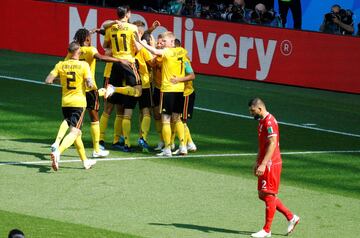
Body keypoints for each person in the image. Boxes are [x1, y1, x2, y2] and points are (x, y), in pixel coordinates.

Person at [51, 28, 128, 158]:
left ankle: (57, 142)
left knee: (69, 120)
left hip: (75, 91)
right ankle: (96, 149)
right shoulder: (91, 50)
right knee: (94, 118)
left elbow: (64, 68)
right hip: (90, 89)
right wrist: (119, 60)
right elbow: (102, 58)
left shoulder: (72, 52)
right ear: (87, 39)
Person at [248, 98, 299, 237]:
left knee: (269, 194)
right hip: (265, 162)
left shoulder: (269, 121)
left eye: (252, 111)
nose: (251, 114)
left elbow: (272, 143)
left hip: (271, 164)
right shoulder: (262, 122)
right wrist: (257, 161)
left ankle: (266, 230)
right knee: (262, 194)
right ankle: (291, 217)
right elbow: (262, 144)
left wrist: (264, 163)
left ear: (260, 108)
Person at [45, 41, 97, 171]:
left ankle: (85, 162)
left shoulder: (61, 65)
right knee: (74, 132)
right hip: (79, 103)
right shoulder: (84, 65)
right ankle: (58, 152)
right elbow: (89, 82)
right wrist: (90, 84)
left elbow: (48, 80)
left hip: (65, 103)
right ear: (78, 51)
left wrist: (61, 79)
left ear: (69, 52)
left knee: (77, 133)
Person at [136, 31, 189, 156]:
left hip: (168, 89)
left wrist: (140, 42)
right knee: (177, 119)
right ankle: (183, 146)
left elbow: (154, 52)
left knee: (165, 119)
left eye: (165, 41)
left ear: (172, 42)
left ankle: (167, 149)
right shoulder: (182, 51)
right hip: (180, 90)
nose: (163, 44)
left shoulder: (167, 52)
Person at [101, 5, 142, 152]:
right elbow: (138, 48)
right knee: (137, 91)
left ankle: (101, 140)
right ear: (128, 14)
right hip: (128, 63)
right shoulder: (132, 28)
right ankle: (126, 144)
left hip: (115, 64)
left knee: (110, 106)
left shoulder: (111, 28)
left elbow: (105, 46)